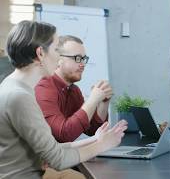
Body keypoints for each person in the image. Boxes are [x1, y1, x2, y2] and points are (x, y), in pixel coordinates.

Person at [0, 20, 127, 179]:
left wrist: (96, 139)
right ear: (41, 54)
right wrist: (101, 145)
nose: (58, 57)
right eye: (56, 50)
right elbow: (57, 159)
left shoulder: (13, 86)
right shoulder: (19, 96)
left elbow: (52, 149)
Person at [35, 35, 111, 143]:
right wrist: (93, 100)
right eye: (77, 58)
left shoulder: (74, 91)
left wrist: (103, 102)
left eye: (84, 59)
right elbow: (63, 134)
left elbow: (93, 130)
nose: (82, 64)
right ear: (58, 59)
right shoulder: (43, 88)